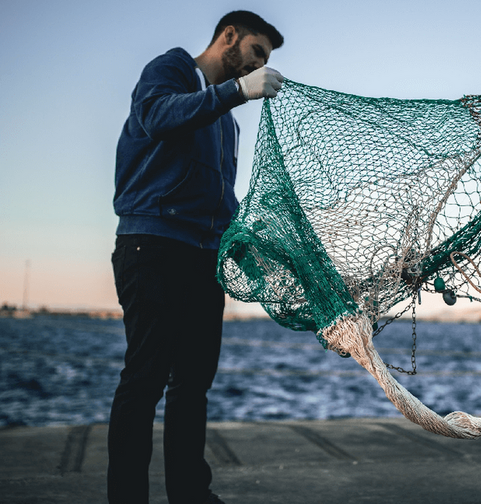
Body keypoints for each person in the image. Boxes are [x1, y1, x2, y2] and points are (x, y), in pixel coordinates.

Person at [109, 11, 284, 504]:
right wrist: (237, 91)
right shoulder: (170, 70)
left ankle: (190, 495)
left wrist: (246, 248)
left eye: (263, 62)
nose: (257, 66)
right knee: (143, 381)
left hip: (204, 260)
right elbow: (158, 116)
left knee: (192, 386)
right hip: (153, 247)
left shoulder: (227, 126)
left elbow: (221, 200)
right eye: (256, 53)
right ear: (228, 36)